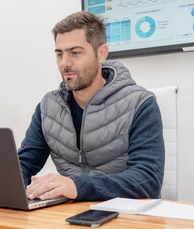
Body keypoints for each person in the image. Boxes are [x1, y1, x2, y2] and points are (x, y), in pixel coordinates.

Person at [19, 11, 165, 202]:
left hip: (124, 217)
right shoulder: (48, 107)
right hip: (67, 213)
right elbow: (23, 164)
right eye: (59, 54)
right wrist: (0, 185)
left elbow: (148, 181)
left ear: (101, 53)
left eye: (75, 52)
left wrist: (77, 186)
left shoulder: (140, 103)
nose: (65, 63)